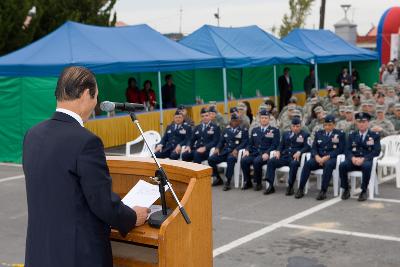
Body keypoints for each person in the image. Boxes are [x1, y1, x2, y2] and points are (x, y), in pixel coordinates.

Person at [23, 66, 150, 267]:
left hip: (39, 253)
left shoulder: (33, 135)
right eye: (96, 96)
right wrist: (132, 216)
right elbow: (102, 203)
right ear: (84, 93)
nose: (96, 104)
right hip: (77, 256)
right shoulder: (86, 142)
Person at [295, 115, 345, 200]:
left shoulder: (340, 134)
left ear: (334, 125)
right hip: (319, 158)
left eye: (330, 125)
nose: (327, 127)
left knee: (328, 165)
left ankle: (323, 191)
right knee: (307, 164)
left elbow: (340, 149)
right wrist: (317, 156)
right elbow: (314, 148)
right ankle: (300, 189)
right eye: (325, 125)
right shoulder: (319, 133)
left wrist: (328, 156)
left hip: (331, 158)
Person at [339, 112, 381, 201]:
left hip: (366, 160)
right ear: (356, 123)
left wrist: (364, 159)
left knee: (366, 166)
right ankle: (346, 189)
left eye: (364, 122)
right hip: (354, 160)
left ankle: (364, 190)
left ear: (368, 123)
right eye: (359, 122)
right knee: (342, 166)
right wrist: (352, 158)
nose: (361, 124)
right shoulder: (352, 135)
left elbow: (376, 151)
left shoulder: (375, 135)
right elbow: (347, 150)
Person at [264, 117, 310, 195]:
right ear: (291, 126)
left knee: (293, 164)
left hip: (295, 158)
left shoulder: (305, 135)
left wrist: (300, 152)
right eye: (293, 126)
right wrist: (278, 151)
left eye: (297, 126)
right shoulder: (286, 134)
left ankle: (290, 186)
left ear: (300, 126)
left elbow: (307, 147)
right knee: (271, 161)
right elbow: (281, 145)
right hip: (285, 157)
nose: (295, 128)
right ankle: (271, 185)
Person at [241, 110, 280, 191]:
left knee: (257, 161)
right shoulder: (255, 130)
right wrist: (247, 150)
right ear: (259, 119)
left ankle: (258, 183)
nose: (264, 119)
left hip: (265, 154)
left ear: (269, 119)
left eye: (266, 118)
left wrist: (267, 153)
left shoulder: (274, 130)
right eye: (262, 118)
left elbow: (275, 145)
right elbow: (250, 143)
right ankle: (247, 181)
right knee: (244, 160)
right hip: (254, 153)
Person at [208, 113, 249, 191]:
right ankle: (217, 177)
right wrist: (217, 148)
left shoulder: (243, 130)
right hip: (225, 152)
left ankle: (228, 181)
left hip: (234, 153)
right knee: (211, 159)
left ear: (239, 121)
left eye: (236, 121)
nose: (234, 122)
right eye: (233, 120)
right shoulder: (226, 130)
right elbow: (221, 141)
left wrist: (237, 149)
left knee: (230, 159)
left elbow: (245, 142)